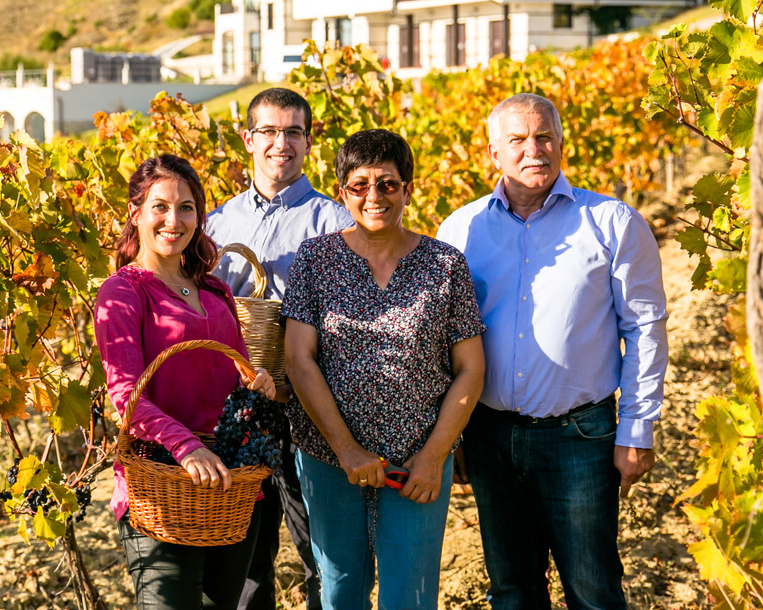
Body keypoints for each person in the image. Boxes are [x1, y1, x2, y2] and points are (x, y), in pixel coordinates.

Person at [436, 93, 668, 610]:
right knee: (512, 590)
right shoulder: (459, 230)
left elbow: (646, 329)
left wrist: (636, 430)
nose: (533, 150)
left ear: (562, 143)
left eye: (544, 137)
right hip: (490, 436)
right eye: (517, 140)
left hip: (580, 437)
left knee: (593, 591)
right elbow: (443, 341)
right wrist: (452, 438)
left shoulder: (612, 223)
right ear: (493, 153)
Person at [282, 129, 486, 610]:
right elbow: (298, 359)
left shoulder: (444, 265)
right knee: (340, 588)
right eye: (360, 185)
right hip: (329, 458)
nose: (374, 196)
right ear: (343, 193)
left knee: (410, 596)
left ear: (408, 189)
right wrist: (346, 449)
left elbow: (470, 369)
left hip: (417, 462)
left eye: (388, 184)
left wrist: (434, 455)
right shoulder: (315, 259)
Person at [95, 153, 277, 610]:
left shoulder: (215, 289)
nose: (173, 220)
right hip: (163, 483)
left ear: (199, 215)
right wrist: (185, 446)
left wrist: (260, 384)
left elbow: (235, 376)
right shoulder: (123, 291)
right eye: (159, 206)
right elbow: (125, 393)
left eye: (186, 207)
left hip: (229, 485)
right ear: (135, 213)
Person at [207, 88, 352, 610]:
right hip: (235, 409)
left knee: (322, 550)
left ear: (309, 143)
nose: (280, 143)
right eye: (268, 131)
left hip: (306, 406)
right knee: (245, 553)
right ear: (248, 139)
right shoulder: (218, 224)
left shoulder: (335, 223)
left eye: (292, 132)